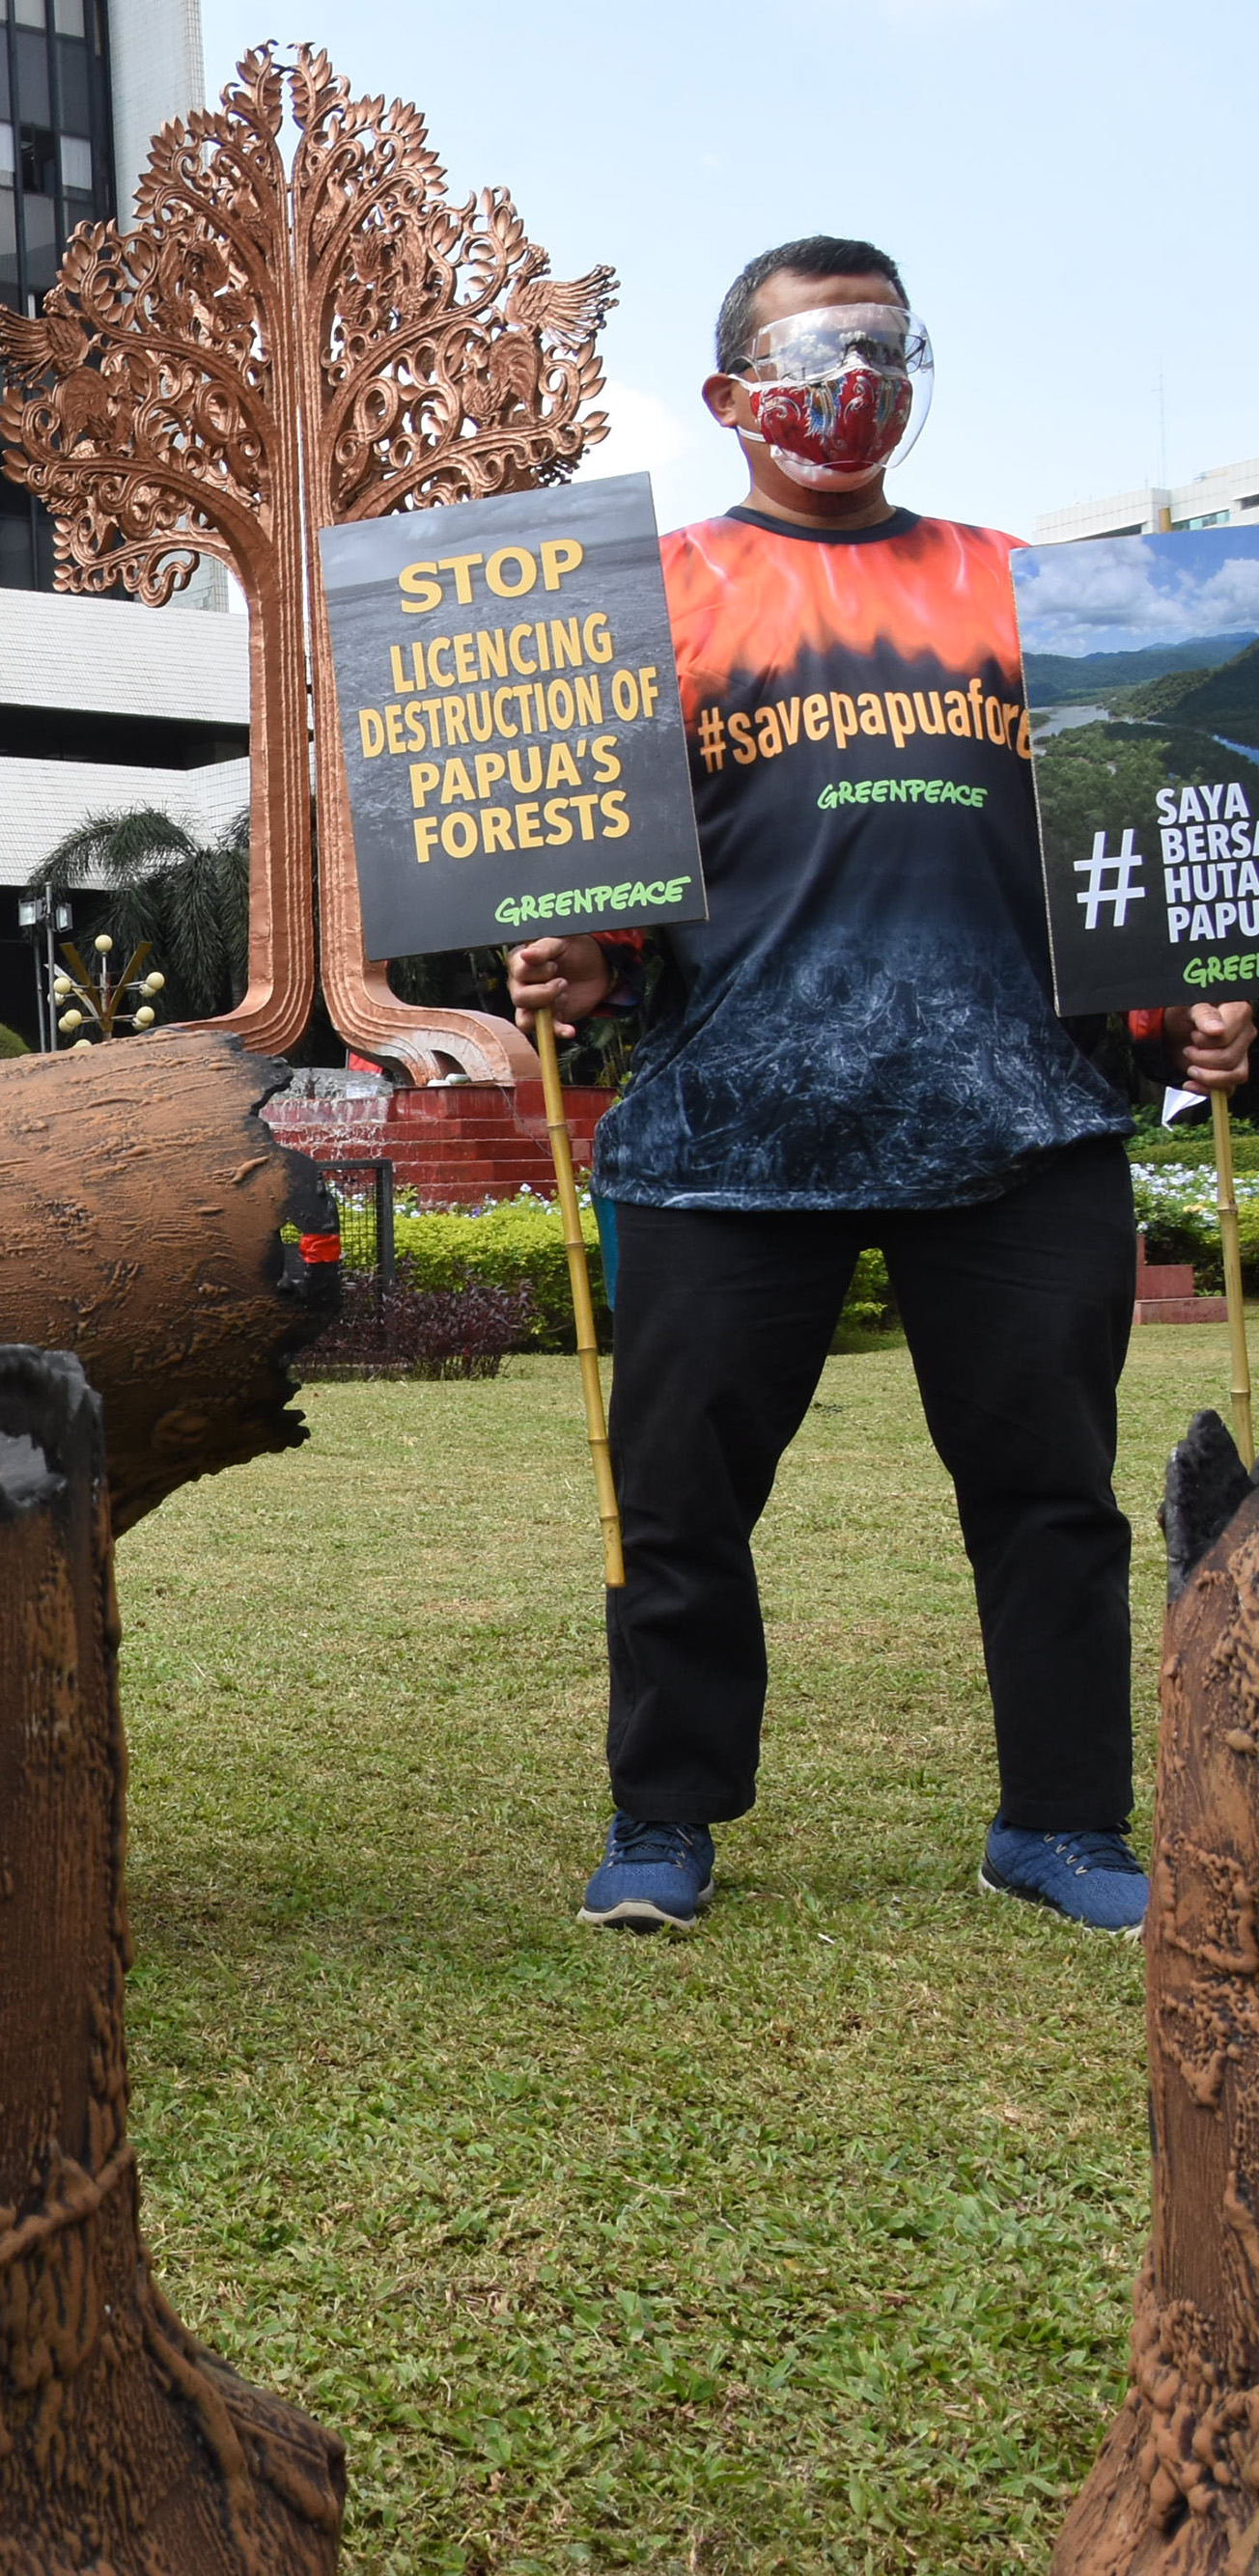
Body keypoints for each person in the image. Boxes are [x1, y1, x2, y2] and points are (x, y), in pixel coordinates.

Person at [509, 235, 1254, 1937]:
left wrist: (1191, 1015)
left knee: (1053, 1502)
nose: (857, 382)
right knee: (680, 1500)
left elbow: (1119, 864)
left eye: (890, 347)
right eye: (818, 350)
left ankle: (1062, 1819)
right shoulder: (651, 601)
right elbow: (596, 898)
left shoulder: (1030, 591)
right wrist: (572, 958)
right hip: (721, 1133)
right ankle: (663, 1816)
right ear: (728, 393)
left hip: (1020, 1125)